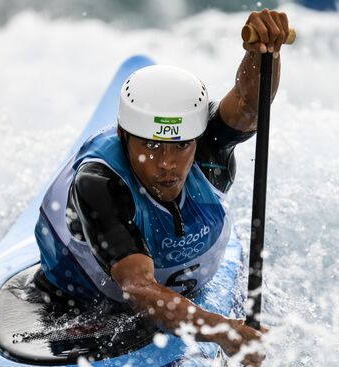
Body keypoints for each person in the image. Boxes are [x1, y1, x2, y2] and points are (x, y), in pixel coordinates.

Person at [35, 9, 289, 367]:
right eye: (151, 146)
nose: (167, 163)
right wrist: (225, 332)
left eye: (181, 145)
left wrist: (263, 50)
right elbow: (137, 289)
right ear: (124, 137)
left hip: (176, 292)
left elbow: (249, 104)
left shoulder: (209, 148)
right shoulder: (100, 183)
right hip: (79, 302)